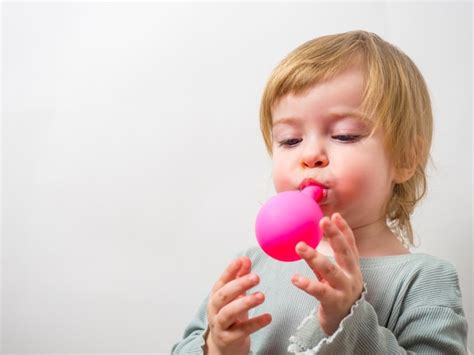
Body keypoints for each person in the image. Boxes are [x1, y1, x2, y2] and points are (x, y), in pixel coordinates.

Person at [171, 30, 468, 354]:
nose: (310, 156)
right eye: (289, 140)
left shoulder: (424, 280)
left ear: (405, 158)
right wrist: (216, 345)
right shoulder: (250, 265)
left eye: (344, 135)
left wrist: (347, 320)